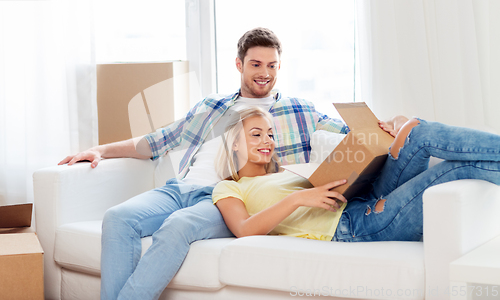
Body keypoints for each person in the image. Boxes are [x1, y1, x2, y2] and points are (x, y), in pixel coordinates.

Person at [58, 27, 349, 300]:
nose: (264, 73)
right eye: (256, 64)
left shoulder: (298, 110)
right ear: (239, 64)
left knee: (179, 225)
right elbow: (158, 140)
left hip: (226, 199)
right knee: (118, 218)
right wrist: (100, 150)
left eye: (272, 65)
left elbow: (349, 131)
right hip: (179, 189)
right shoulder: (211, 106)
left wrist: (393, 125)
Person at [212, 106, 500, 242]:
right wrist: (299, 199)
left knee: (415, 130)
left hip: (365, 194)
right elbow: (244, 229)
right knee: (459, 168)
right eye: (256, 134)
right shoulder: (229, 189)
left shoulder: (288, 167)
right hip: (354, 224)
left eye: (270, 134)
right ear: (234, 142)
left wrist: (390, 131)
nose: (267, 141)